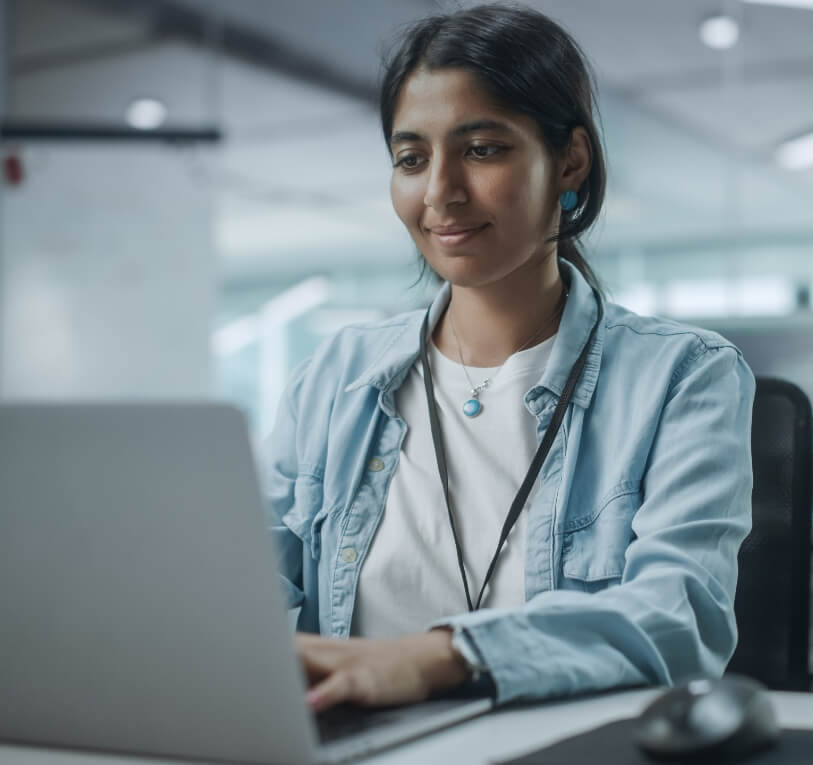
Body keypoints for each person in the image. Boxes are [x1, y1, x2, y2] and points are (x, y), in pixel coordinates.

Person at [263, 3, 755, 713]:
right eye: (411, 158)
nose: (439, 193)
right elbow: (241, 596)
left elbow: (678, 617)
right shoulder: (336, 375)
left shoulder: (683, 376)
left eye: (482, 148)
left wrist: (438, 657)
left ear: (569, 160)